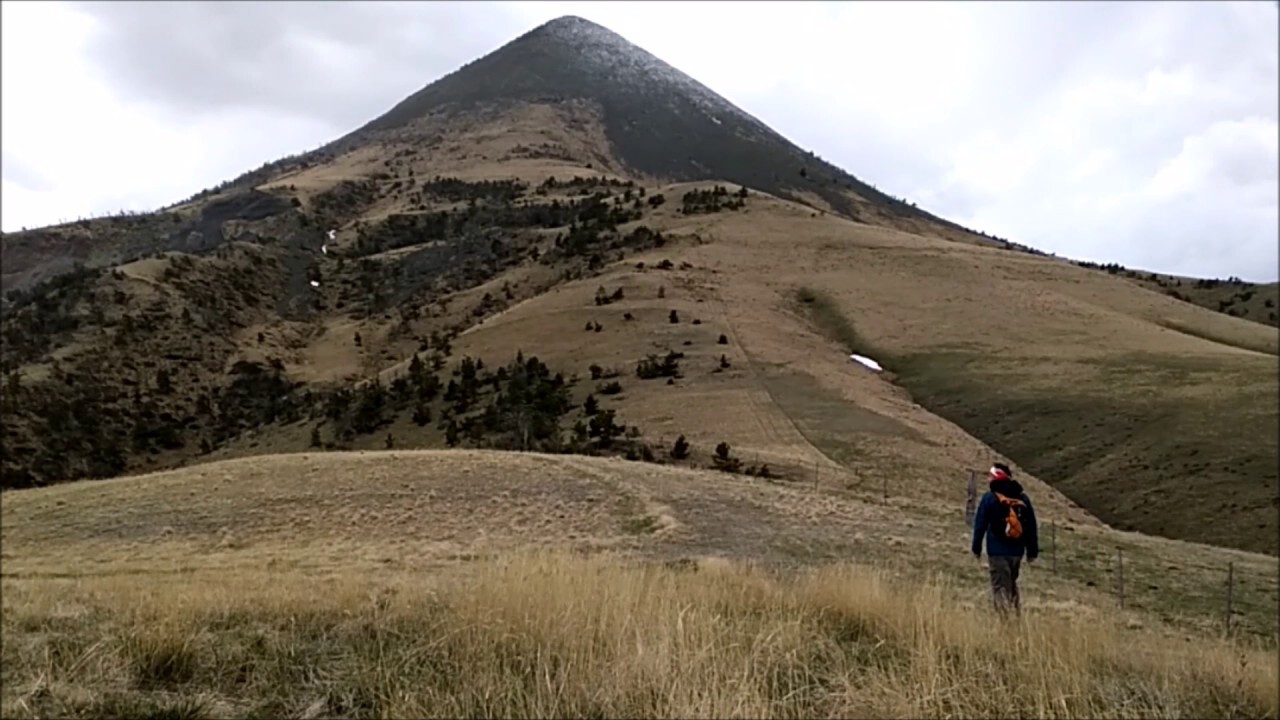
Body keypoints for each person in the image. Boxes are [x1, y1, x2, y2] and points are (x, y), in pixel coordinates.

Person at [971, 462, 1038, 616]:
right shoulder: (1022, 498)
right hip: (1017, 552)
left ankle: (1005, 623)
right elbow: (1031, 526)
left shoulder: (989, 498)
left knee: (1000, 586)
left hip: (997, 551)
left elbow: (980, 524)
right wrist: (1032, 551)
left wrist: (976, 548)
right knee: (1012, 584)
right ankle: (1016, 617)